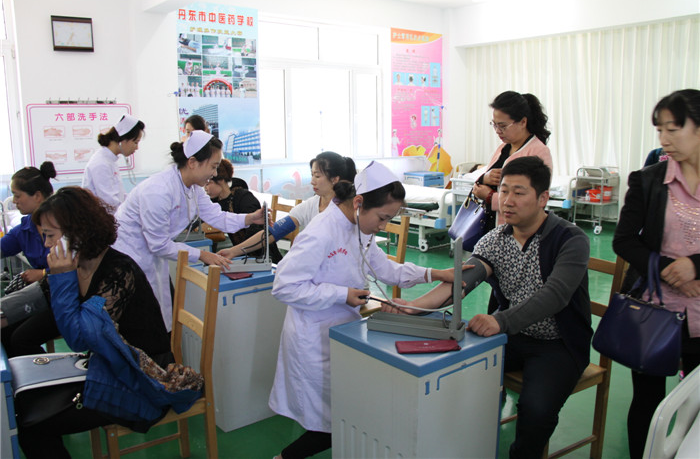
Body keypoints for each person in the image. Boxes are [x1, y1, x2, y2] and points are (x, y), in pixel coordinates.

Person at [383, 156, 592, 458]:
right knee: (453, 375)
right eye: (503, 191)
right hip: (511, 337)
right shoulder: (495, 239)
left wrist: (500, 321)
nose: (507, 201)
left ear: (543, 198)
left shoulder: (569, 239)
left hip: (558, 344)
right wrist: (413, 308)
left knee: (536, 409)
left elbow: (555, 295)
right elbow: (461, 282)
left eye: (518, 193)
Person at [269, 161, 458, 459]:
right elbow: (284, 286)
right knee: (333, 420)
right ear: (358, 202)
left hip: (343, 332)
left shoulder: (359, 228)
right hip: (313, 339)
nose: (383, 226)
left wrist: (434, 274)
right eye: (382, 218)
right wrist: (341, 294)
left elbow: (385, 269)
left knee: (344, 413)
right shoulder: (322, 231)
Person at [16, 186, 201, 459]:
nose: (46, 244)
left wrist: (61, 277)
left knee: (33, 425)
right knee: (25, 403)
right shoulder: (80, 263)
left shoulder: (117, 271)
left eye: (50, 236)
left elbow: (79, 338)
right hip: (109, 365)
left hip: (141, 376)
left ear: (76, 233)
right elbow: (40, 298)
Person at [612, 89, 700, 459]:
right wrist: (667, 269)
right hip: (655, 309)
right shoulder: (648, 180)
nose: (663, 139)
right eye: (660, 130)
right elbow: (623, 240)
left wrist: (695, 265)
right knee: (647, 402)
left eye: (673, 129)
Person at [113, 130, 267, 331]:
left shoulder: (193, 188)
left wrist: (249, 218)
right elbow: (158, 244)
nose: (214, 174)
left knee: (159, 315)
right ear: (193, 162)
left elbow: (215, 215)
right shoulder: (158, 191)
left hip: (150, 256)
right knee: (140, 322)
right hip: (131, 257)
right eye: (213, 167)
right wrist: (202, 255)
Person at [471, 90, 554, 314]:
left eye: (503, 126)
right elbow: (481, 181)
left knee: (512, 292)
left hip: (519, 234)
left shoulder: (538, 152)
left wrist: (490, 197)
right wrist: (485, 178)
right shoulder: (503, 148)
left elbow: (532, 201)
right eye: (494, 125)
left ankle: (503, 326)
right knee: (497, 287)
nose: (498, 131)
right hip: (495, 230)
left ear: (523, 122)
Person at [217, 151, 356, 261]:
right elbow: (273, 232)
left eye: (317, 176)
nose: (312, 181)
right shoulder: (310, 206)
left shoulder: (351, 208)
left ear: (335, 179)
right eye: (312, 175)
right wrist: (233, 251)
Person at [0, 162, 55, 330]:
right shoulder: (25, 228)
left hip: (65, 295)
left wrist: (43, 274)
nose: (14, 201)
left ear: (37, 196)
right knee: (5, 326)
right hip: (42, 294)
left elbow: (79, 266)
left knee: (16, 333)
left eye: (17, 195)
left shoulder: (63, 224)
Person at [205, 158, 283, 262]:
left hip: (263, 258)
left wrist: (235, 252)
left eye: (208, 183)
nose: (205, 188)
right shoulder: (216, 202)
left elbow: (257, 232)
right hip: (241, 256)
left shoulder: (244, 198)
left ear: (221, 180)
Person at [81, 114, 144, 212]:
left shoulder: (109, 160)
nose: (137, 148)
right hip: (103, 218)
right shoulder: (101, 164)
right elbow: (109, 203)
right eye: (135, 142)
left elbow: (119, 196)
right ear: (122, 140)